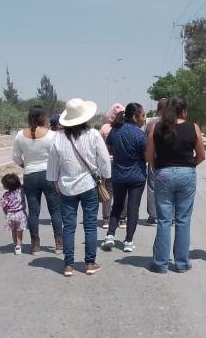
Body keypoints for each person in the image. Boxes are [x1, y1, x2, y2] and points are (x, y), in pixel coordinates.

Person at [47, 98, 111, 277]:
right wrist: (104, 179)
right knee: (90, 225)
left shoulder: (58, 138)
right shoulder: (93, 134)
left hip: (66, 187)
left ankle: (68, 265)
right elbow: (105, 160)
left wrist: (55, 183)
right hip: (89, 185)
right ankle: (90, 263)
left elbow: (52, 166)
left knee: (69, 226)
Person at [146, 97, 206, 273]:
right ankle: (181, 263)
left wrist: (159, 168)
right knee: (183, 220)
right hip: (186, 173)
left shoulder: (156, 128)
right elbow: (201, 155)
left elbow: (149, 156)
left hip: (164, 173)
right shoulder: (193, 127)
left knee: (164, 220)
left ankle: (160, 263)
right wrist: (189, 165)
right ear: (184, 111)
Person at [12, 106, 62, 255]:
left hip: (30, 175)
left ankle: (35, 245)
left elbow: (15, 157)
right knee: (55, 210)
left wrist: (25, 165)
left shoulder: (20, 135)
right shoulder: (52, 135)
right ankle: (59, 244)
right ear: (43, 118)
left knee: (34, 211)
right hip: (49, 175)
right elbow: (59, 156)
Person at [102, 102, 147, 252]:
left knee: (117, 205)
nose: (144, 119)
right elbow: (146, 156)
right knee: (133, 209)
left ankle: (110, 235)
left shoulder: (115, 131)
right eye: (142, 115)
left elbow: (108, 147)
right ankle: (128, 241)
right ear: (134, 116)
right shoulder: (139, 134)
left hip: (119, 175)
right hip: (137, 177)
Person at [99, 103, 127, 229]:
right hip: (121, 162)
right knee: (122, 191)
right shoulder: (126, 127)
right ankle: (122, 219)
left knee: (108, 190)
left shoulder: (105, 128)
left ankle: (106, 219)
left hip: (107, 162)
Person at [144, 98, 168, 225]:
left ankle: (153, 216)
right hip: (169, 160)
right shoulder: (172, 122)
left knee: (153, 187)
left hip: (154, 159)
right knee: (169, 188)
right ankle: (170, 215)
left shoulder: (151, 124)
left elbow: (145, 142)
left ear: (158, 108)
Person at [0, 173, 27, 256]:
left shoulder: (5, 195)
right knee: (19, 230)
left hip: (10, 215)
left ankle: (15, 244)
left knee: (13, 231)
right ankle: (18, 246)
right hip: (20, 214)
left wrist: (6, 213)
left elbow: (3, 205)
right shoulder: (20, 191)